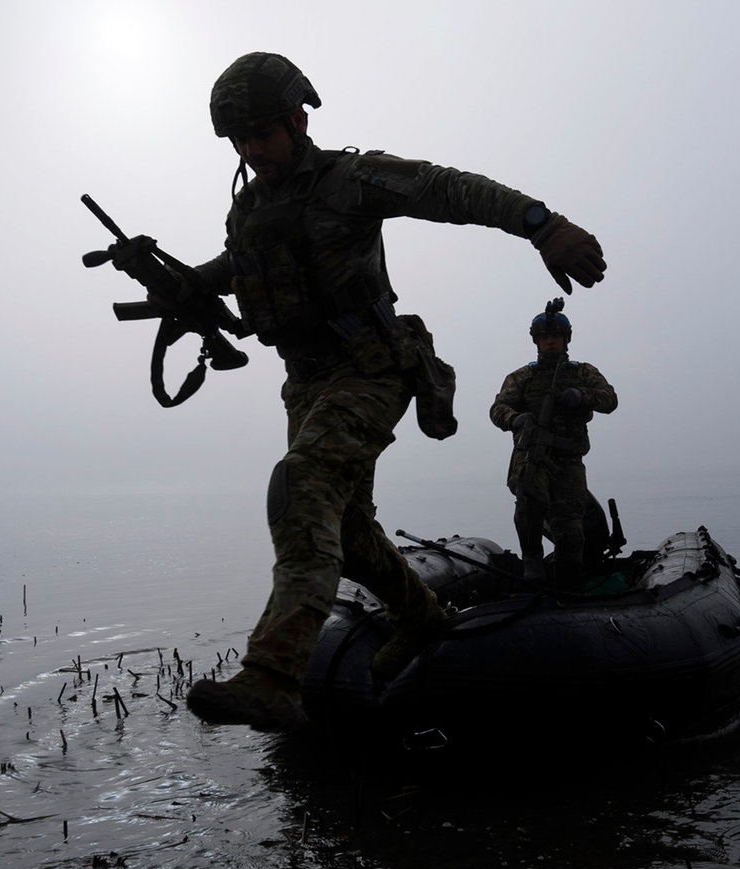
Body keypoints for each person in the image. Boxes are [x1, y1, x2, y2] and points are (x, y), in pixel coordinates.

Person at [183, 51, 607, 729]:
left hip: (372, 367)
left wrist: (541, 224)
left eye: (262, 133)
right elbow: (242, 264)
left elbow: (446, 189)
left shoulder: (351, 179)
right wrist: (191, 283)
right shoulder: (253, 207)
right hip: (307, 383)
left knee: (306, 481)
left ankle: (272, 676)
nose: (253, 150)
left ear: (298, 118)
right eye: (241, 140)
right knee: (347, 535)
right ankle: (420, 617)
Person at [490, 299, 617, 589]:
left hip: (569, 461)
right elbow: (498, 409)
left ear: (565, 340)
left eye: (555, 337)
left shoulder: (583, 372)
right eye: (545, 338)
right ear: (537, 341)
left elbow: (610, 399)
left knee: (571, 531)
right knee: (529, 505)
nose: (550, 342)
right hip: (532, 455)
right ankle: (532, 558)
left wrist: (582, 396)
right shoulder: (522, 377)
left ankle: (567, 587)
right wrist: (516, 419)